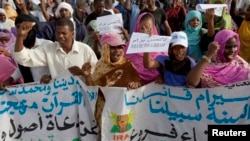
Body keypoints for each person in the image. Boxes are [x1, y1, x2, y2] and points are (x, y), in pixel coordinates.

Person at [81, 32, 142, 139]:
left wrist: (136, 85)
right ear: (105, 49)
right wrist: (87, 76)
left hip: (122, 112)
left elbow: (138, 88)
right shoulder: (100, 66)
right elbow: (93, 90)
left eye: (120, 47)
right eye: (112, 48)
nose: (117, 51)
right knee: (106, 135)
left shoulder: (128, 65)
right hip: (103, 111)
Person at [12, 18, 98, 79]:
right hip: (59, 99)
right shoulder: (49, 49)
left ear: (72, 34)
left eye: (64, 33)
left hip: (82, 97)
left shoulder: (85, 50)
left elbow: (97, 74)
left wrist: (83, 73)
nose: (60, 36)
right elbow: (22, 58)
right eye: (58, 33)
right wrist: (20, 36)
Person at [124, 12, 167, 85]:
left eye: (149, 28)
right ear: (137, 27)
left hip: (156, 84)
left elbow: (165, 65)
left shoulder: (160, 45)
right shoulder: (128, 46)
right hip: (134, 84)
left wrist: (161, 76)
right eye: (142, 28)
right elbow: (123, 66)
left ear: (153, 28)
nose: (145, 31)